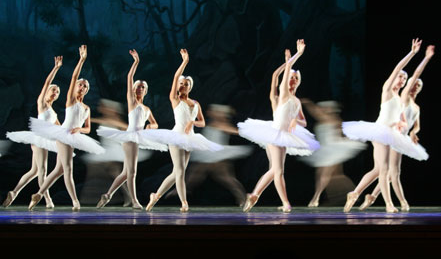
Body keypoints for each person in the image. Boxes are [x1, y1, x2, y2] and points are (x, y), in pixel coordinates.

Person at [342, 38, 424, 213]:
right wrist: (412, 53)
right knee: (384, 170)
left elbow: (399, 118)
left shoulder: (399, 98)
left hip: (389, 133)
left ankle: (355, 193)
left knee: (378, 169)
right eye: (400, 77)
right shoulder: (387, 89)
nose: (402, 80)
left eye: (404, 79)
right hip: (379, 131)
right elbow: (396, 68)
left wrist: (402, 123)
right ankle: (388, 204)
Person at [238, 39, 319, 213]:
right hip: (274, 134)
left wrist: (294, 121)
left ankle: (266, 198)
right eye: (291, 77)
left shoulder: (296, 101)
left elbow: (304, 121)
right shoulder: (282, 95)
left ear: (298, 82)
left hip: (283, 136)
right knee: (278, 170)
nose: (293, 80)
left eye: (296, 78)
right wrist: (295, 56)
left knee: (276, 170)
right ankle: (263, 196)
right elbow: (277, 76)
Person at [145, 49, 223, 213]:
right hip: (176, 136)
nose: (182, 85)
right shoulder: (174, 100)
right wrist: (185, 62)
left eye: (186, 84)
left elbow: (202, 122)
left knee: (177, 172)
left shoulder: (195, 103)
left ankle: (156, 195)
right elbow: (175, 77)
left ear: (190, 87)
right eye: (181, 84)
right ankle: (184, 202)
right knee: (180, 172)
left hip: (190, 138)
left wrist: (193, 122)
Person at [28, 45, 104, 211]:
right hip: (63, 134)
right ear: (75, 87)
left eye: (85, 86)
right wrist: (82, 60)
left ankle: (39, 193)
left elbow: (88, 128)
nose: (82, 87)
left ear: (87, 90)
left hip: (74, 135)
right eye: (80, 84)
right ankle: (75, 202)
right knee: (68, 169)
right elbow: (74, 76)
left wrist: (79, 130)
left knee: (59, 170)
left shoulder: (86, 108)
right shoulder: (71, 100)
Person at [359, 45, 434, 212]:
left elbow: (415, 126)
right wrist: (424, 57)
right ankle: (398, 202)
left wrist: (413, 132)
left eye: (418, 86)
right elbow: (413, 74)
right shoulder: (400, 96)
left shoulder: (411, 105)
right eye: (413, 85)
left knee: (388, 173)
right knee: (388, 172)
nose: (415, 87)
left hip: (398, 136)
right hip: (387, 133)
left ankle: (371, 196)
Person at [96, 50, 168, 210]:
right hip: (130, 137)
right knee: (132, 172)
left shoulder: (147, 108)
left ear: (145, 90)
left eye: (142, 87)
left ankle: (107, 195)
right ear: (134, 90)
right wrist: (136, 62)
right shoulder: (132, 103)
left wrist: (151, 126)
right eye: (138, 87)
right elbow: (129, 79)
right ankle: (134, 201)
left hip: (139, 136)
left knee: (125, 172)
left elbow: (154, 123)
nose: (139, 89)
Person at [3, 56, 64, 208]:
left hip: (44, 140)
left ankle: (14, 192)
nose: (55, 92)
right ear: (47, 92)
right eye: (53, 90)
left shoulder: (53, 112)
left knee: (35, 171)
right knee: (42, 171)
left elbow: (61, 128)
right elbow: (46, 83)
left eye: (57, 92)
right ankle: (48, 200)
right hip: (39, 139)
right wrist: (56, 68)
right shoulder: (42, 104)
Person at [299, 99, 366, 207]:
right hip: (330, 149)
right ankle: (354, 195)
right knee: (336, 176)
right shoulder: (334, 119)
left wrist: (306, 102)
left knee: (323, 174)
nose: (321, 110)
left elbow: (314, 111)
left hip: (331, 150)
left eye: (323, 108)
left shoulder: (328, 118)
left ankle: (316, 198)